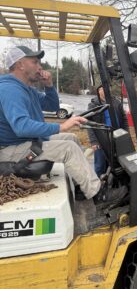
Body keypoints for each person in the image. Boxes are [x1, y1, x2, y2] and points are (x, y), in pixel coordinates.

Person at [0, 45, 127, 206]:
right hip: (10, 150)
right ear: (20, 65)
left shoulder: (26, 89)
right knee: (69, 149)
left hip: (24, 142)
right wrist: (61, 126)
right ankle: (99, 195)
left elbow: (52, 106)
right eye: (34, 62)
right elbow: (21, 127)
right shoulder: (10, 90)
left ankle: (81, 186)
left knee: (71, 138)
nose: (40, 66)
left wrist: (49, 85)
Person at [87, 85, 128, 177]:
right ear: (98, 91)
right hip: (102, 138)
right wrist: (94, 141)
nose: (104, 90)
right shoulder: (94, 104)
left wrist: (126, 134)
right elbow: (89, 124)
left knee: (116, 162)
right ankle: (99, 183)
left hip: (117, 136)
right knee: (100, 164)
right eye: (102, 89)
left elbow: (124, 119)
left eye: (106, 88)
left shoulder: (116, 102)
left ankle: (113, 183)